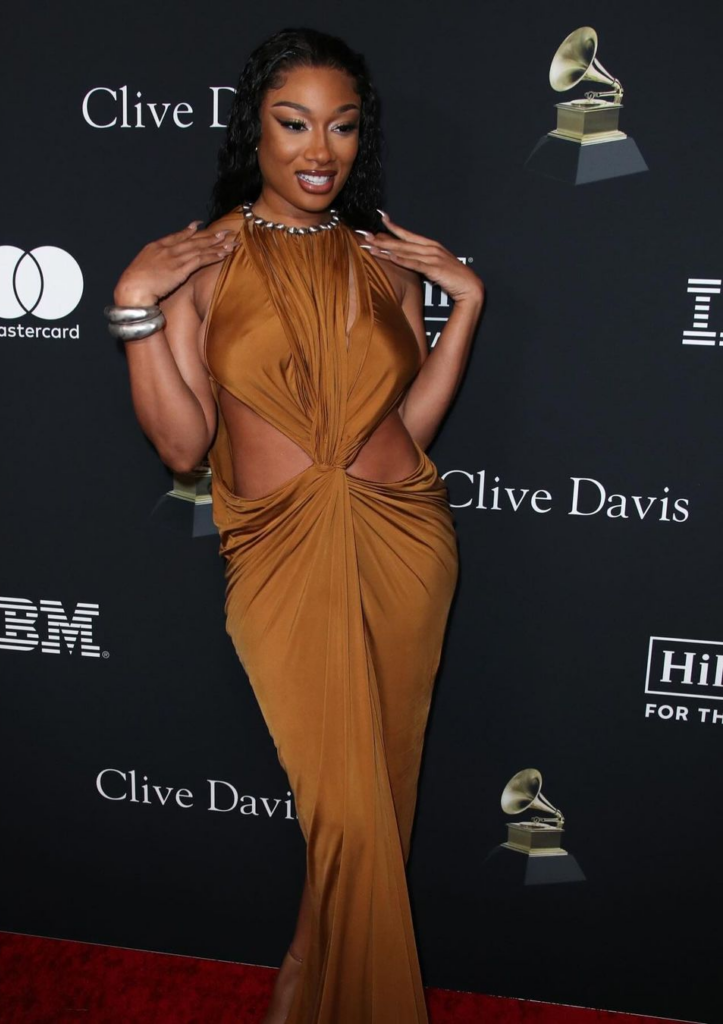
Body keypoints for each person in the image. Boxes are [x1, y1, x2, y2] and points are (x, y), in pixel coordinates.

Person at [107, 26, 484, 1024]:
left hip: (405, 541)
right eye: (295, 123)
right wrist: (135, 305)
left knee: (375, 806)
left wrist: (466, 307)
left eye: (343, 126)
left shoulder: (385, 263)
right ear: (255, 130)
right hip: (281, 549)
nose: (321, 150)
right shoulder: (203, 261)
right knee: (347, 813)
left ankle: (300, 992)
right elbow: (182, 446)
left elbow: (407, 427)